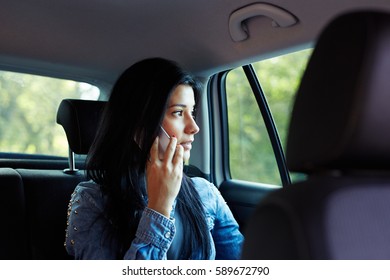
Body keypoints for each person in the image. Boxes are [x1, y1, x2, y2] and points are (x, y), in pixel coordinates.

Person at [64, 57, 244, 259]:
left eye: (192, 112)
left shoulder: (205, 193)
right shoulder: (92, 200)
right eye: (178, 112)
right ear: (138, 125)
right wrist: (159, 208)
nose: (194, 127)